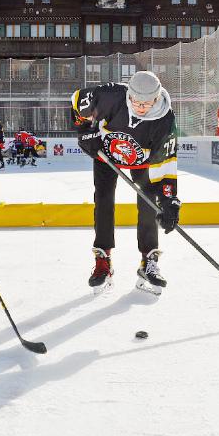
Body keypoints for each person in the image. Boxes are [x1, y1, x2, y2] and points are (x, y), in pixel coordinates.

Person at [71, 71, 181, 295]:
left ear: (157, 98)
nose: (141, 107)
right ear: (128, 95)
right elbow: (75, 102)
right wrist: (84, 132)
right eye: (136, 102)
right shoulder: (109, 96)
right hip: (106, 155)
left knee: (149, 203)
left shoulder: (165, 119)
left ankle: (148, 261)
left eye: (147, 103)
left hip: (143, 161)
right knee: (103, 200)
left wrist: (169, 199)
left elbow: (166, 160)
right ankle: (103, 259)